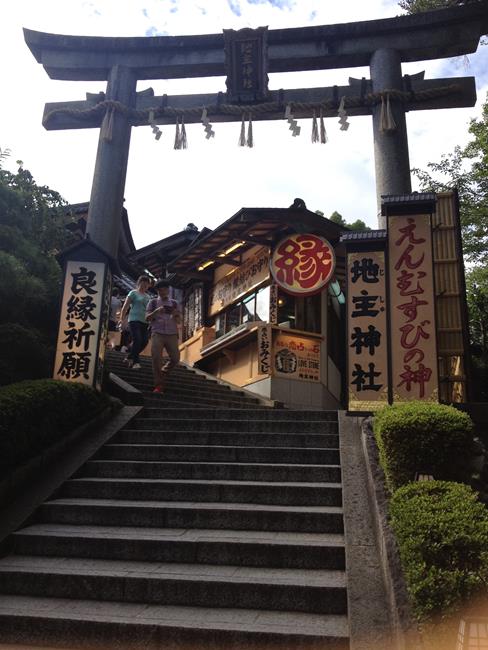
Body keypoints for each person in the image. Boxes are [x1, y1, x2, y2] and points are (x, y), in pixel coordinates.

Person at [145, 278, 181, 393]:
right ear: (157, 291)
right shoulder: (153, 302)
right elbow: (147, 318)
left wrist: (176, 314)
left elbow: (179, 321)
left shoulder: (175, 303)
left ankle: (164, 371)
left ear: (168, 290)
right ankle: (159, 384)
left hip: (172, 333)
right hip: (157, 332)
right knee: (156, 357)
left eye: (165, 290)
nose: (163, 292)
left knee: (175, 358)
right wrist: (156, 312)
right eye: (161, 290)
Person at [119, 275, 151, 369]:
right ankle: (136, 362)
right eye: (143, 284)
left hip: (145, 322)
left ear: (148, 286)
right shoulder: (133, 293)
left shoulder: (148, 297)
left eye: (146, 285)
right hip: (134, 320)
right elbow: (125, 306)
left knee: (144, 341)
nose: (144, 286)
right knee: (137, 339)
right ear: (138, 283)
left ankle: (129, 355)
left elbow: (149, 310)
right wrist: (121, 319)